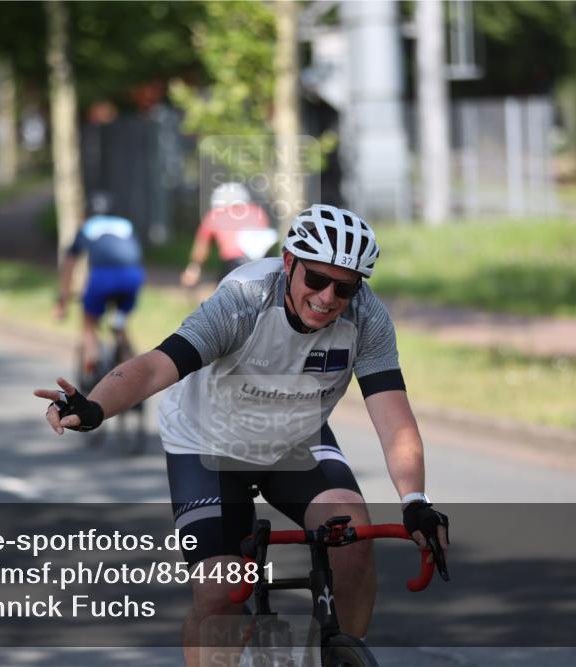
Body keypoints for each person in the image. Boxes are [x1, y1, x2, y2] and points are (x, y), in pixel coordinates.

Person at [37, 204, 449, 666]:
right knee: (220, 594)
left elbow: (394, 418)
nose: (329, 296)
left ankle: (339, 655)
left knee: (353, 537)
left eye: (345, 286)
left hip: (295, 437)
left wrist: (415, 500)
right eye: (316, 279)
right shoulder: (244, 301)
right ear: (289, 262)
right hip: (208, 445)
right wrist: (95, 406)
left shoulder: (367, 319)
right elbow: (156, 365)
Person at [55, 192, 145, 380]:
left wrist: (63, 299)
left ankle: (91, 366)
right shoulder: (126, 225)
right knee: (119, 323)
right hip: (132, 276)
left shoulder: (87, 227)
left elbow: (70, 263)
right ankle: (130, 366)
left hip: (102, 276)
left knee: (88, 323)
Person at [180, 182, 274, 288]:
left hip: (234, 263)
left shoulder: (215, 216)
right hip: (263, 263)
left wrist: (194, 268)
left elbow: (201, 249)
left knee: (223, 296)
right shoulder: (257, 212)